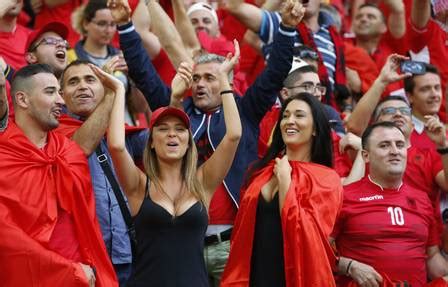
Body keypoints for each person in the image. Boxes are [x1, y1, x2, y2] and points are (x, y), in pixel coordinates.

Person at [109, 0, 302, 284]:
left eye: (210, 77)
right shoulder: (177, 115)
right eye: (196, 78)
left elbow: (276, 73)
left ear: (228, 80)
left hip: (234, 241)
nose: (200, 84)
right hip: (186, 243)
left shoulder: (245, 110)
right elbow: (143, 72)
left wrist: (286, 28)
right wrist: (125, 26)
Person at [106, 40, 242, 286]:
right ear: (150, 141)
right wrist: (118, 91)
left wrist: (224, 80)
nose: (172, 134)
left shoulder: (202, 182)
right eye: (163, 129)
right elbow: (116, 145)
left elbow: (233, 135)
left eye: (180, 129)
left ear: (189, 142)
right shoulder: (139, 185)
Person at [0, 64, 118, 286]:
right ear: (23, 100)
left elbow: (88, 225)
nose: (61, 102)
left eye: (59, 92)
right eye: (50, 92)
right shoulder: (4, 158)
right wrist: (66, 270)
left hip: (85, 277)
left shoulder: (69, 152)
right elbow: (7, 238)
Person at [221, 92, 343, 286]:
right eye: (285, 116)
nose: (289, 121)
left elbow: (309, 236)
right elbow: (241, 235)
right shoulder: (261, 172)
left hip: (296, 278)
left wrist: (286, 181)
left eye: (299, 115)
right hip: (255, 276)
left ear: (315, 129)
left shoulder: (327, 179)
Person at [58, 59, 147, 286]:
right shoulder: (54, 135)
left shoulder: (123, 133)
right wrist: (112, 92)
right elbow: (81, 148)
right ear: (61, 94)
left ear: (102, 84)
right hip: (86, 260)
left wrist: (174, 97)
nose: (82, 86)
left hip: (131, 253)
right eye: (73, 82)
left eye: (90, 79)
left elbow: (170, 139)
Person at [331, 121, 448, 286]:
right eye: (384, 145)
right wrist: (349, 266)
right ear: (366, 156)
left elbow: (433, 259)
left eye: (400, 145)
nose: (394, 151)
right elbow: (318, 251)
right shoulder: (345, 196)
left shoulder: (422, 199)